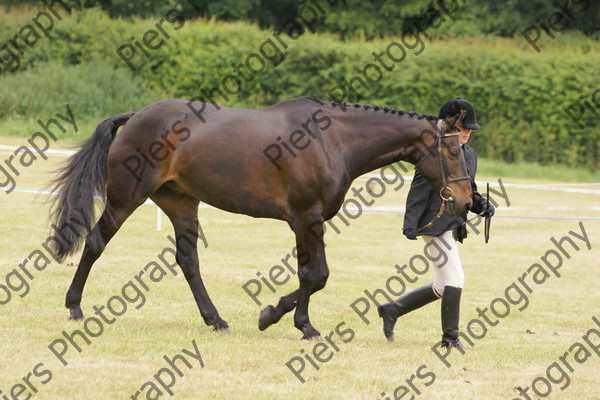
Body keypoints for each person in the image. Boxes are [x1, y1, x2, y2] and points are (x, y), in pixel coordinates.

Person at [377, 97, 495, 348]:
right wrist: (411, 223)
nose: (467, 133)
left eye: (470, 130)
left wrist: (482, 205)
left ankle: (392, 310)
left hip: (453, 223)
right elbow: (418, 189)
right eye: (463, 128)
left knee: (442, 285)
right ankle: (450, 338)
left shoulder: (469, 155)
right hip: (434, 222)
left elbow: (467, 190)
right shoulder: (434, 153)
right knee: (456, 279)